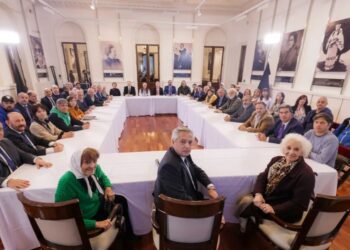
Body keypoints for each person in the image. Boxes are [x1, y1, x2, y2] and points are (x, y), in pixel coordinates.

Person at [236, 134, 315, 232]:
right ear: (283, 147)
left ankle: (245, 230)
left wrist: (274, 209)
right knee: (243, 201)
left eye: (296, 149)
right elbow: (262, 176)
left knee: (245, 204)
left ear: (302, 152)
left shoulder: (306, 173)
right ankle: (246, 226)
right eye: (288, 148)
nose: (291, 152)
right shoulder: (276, 160)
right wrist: (258, 194)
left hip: (286, 211)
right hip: (270, 199)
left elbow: (299, 204)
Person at [55, 148, 133, 238]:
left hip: (97, 205)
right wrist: (95, 224)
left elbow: (103, 177)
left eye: (94, 161)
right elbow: (66, 217)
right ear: (77, 163)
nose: (92, 166)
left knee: (122, 200)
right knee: (119, 205)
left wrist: (108, 188)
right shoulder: (67, 182)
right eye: (87, 162)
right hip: (87, 218)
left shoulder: (95, 168)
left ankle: (128, 235)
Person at [153, 127, 218, 201]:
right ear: (173, 141)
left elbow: (196, 170)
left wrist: (210, 187)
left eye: (190, 142)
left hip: (190, 196)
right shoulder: (169, 166)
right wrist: (200, 205)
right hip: (179, 207)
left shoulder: (182, 153)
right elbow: (180, 198)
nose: (187, 146)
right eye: (183, 142)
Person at [0, 123, 52, 189]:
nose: (0, 132)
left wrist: (36, 160)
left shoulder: (5, 141)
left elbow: (21, 154)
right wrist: (6, 182)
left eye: (0, 129)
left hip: (20, 176)